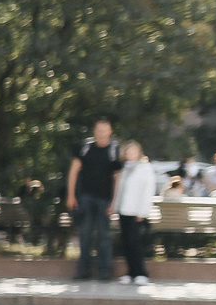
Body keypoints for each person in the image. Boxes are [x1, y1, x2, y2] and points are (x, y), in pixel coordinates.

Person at [66, 119, 118, 282]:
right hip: (85, 198)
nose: (102, 133)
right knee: (85, 234)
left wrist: (114, 202)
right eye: (99, 130)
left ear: (110, 131)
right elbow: (73, 171)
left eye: (105, 130)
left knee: (104, 236)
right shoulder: (85, 148)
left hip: (105, 199)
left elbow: (118, 178)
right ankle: (83, 270)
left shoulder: (114, 150)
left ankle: (105, 271)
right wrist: (71, 195)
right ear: (94, 131)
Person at [114, 139, 159, 284]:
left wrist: (142, 211)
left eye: (134, 151)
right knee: (126, 243)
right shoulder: (125, 168)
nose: (131, 153)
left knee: (136, 243)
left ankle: (141, 273)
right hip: (124, 211)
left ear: (139, 152)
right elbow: (120, 190)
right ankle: (131, 272)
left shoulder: (145, 168)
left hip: (137, 212)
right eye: (128, 151)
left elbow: (148, 191)